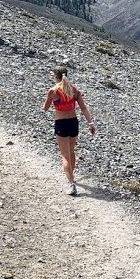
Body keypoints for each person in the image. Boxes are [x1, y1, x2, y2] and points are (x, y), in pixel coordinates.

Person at [42, 66, 96, 195]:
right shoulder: (74, 90)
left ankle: (71, 184)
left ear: (56, 77)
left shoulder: (53, 91)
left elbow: (45, 108)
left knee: (65, 155)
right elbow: (83, 108)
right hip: (73, 123)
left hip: (61, 123)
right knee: (71, 152)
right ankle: (72, 177)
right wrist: (91, 122)